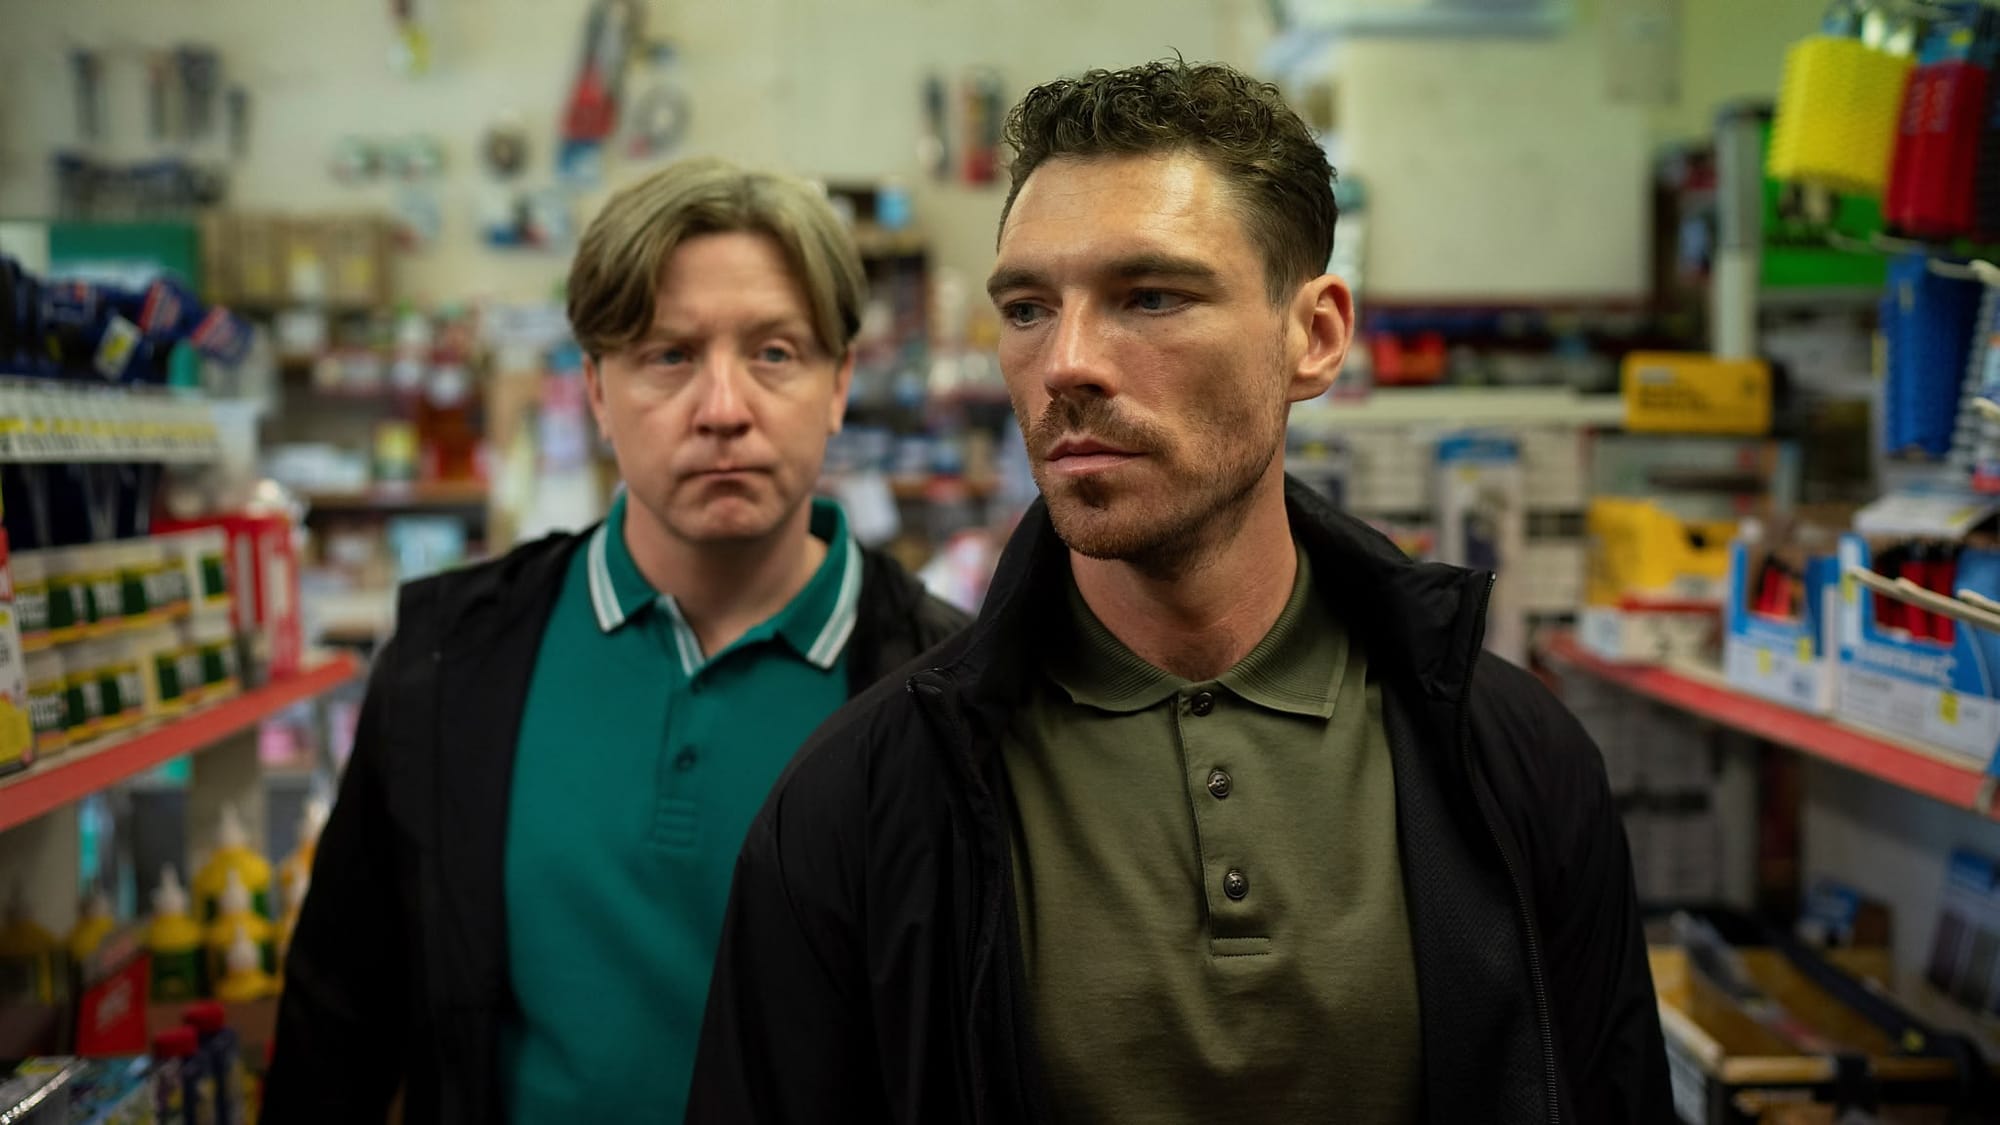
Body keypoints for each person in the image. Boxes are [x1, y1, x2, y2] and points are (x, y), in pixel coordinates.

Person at [688, 60, 1670, 1124]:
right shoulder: (862, 802)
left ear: (1315, 335)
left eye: (1148, 297)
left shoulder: (1510, 762)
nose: (1065, 362)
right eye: (1025, 308)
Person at [264, 157, 969, 1124]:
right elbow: (332, 1033)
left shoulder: (951, 699)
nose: (724, 408)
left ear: (840, 382)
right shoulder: (448, 665)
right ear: (595, 390)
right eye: (667, 355)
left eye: (774, 352)